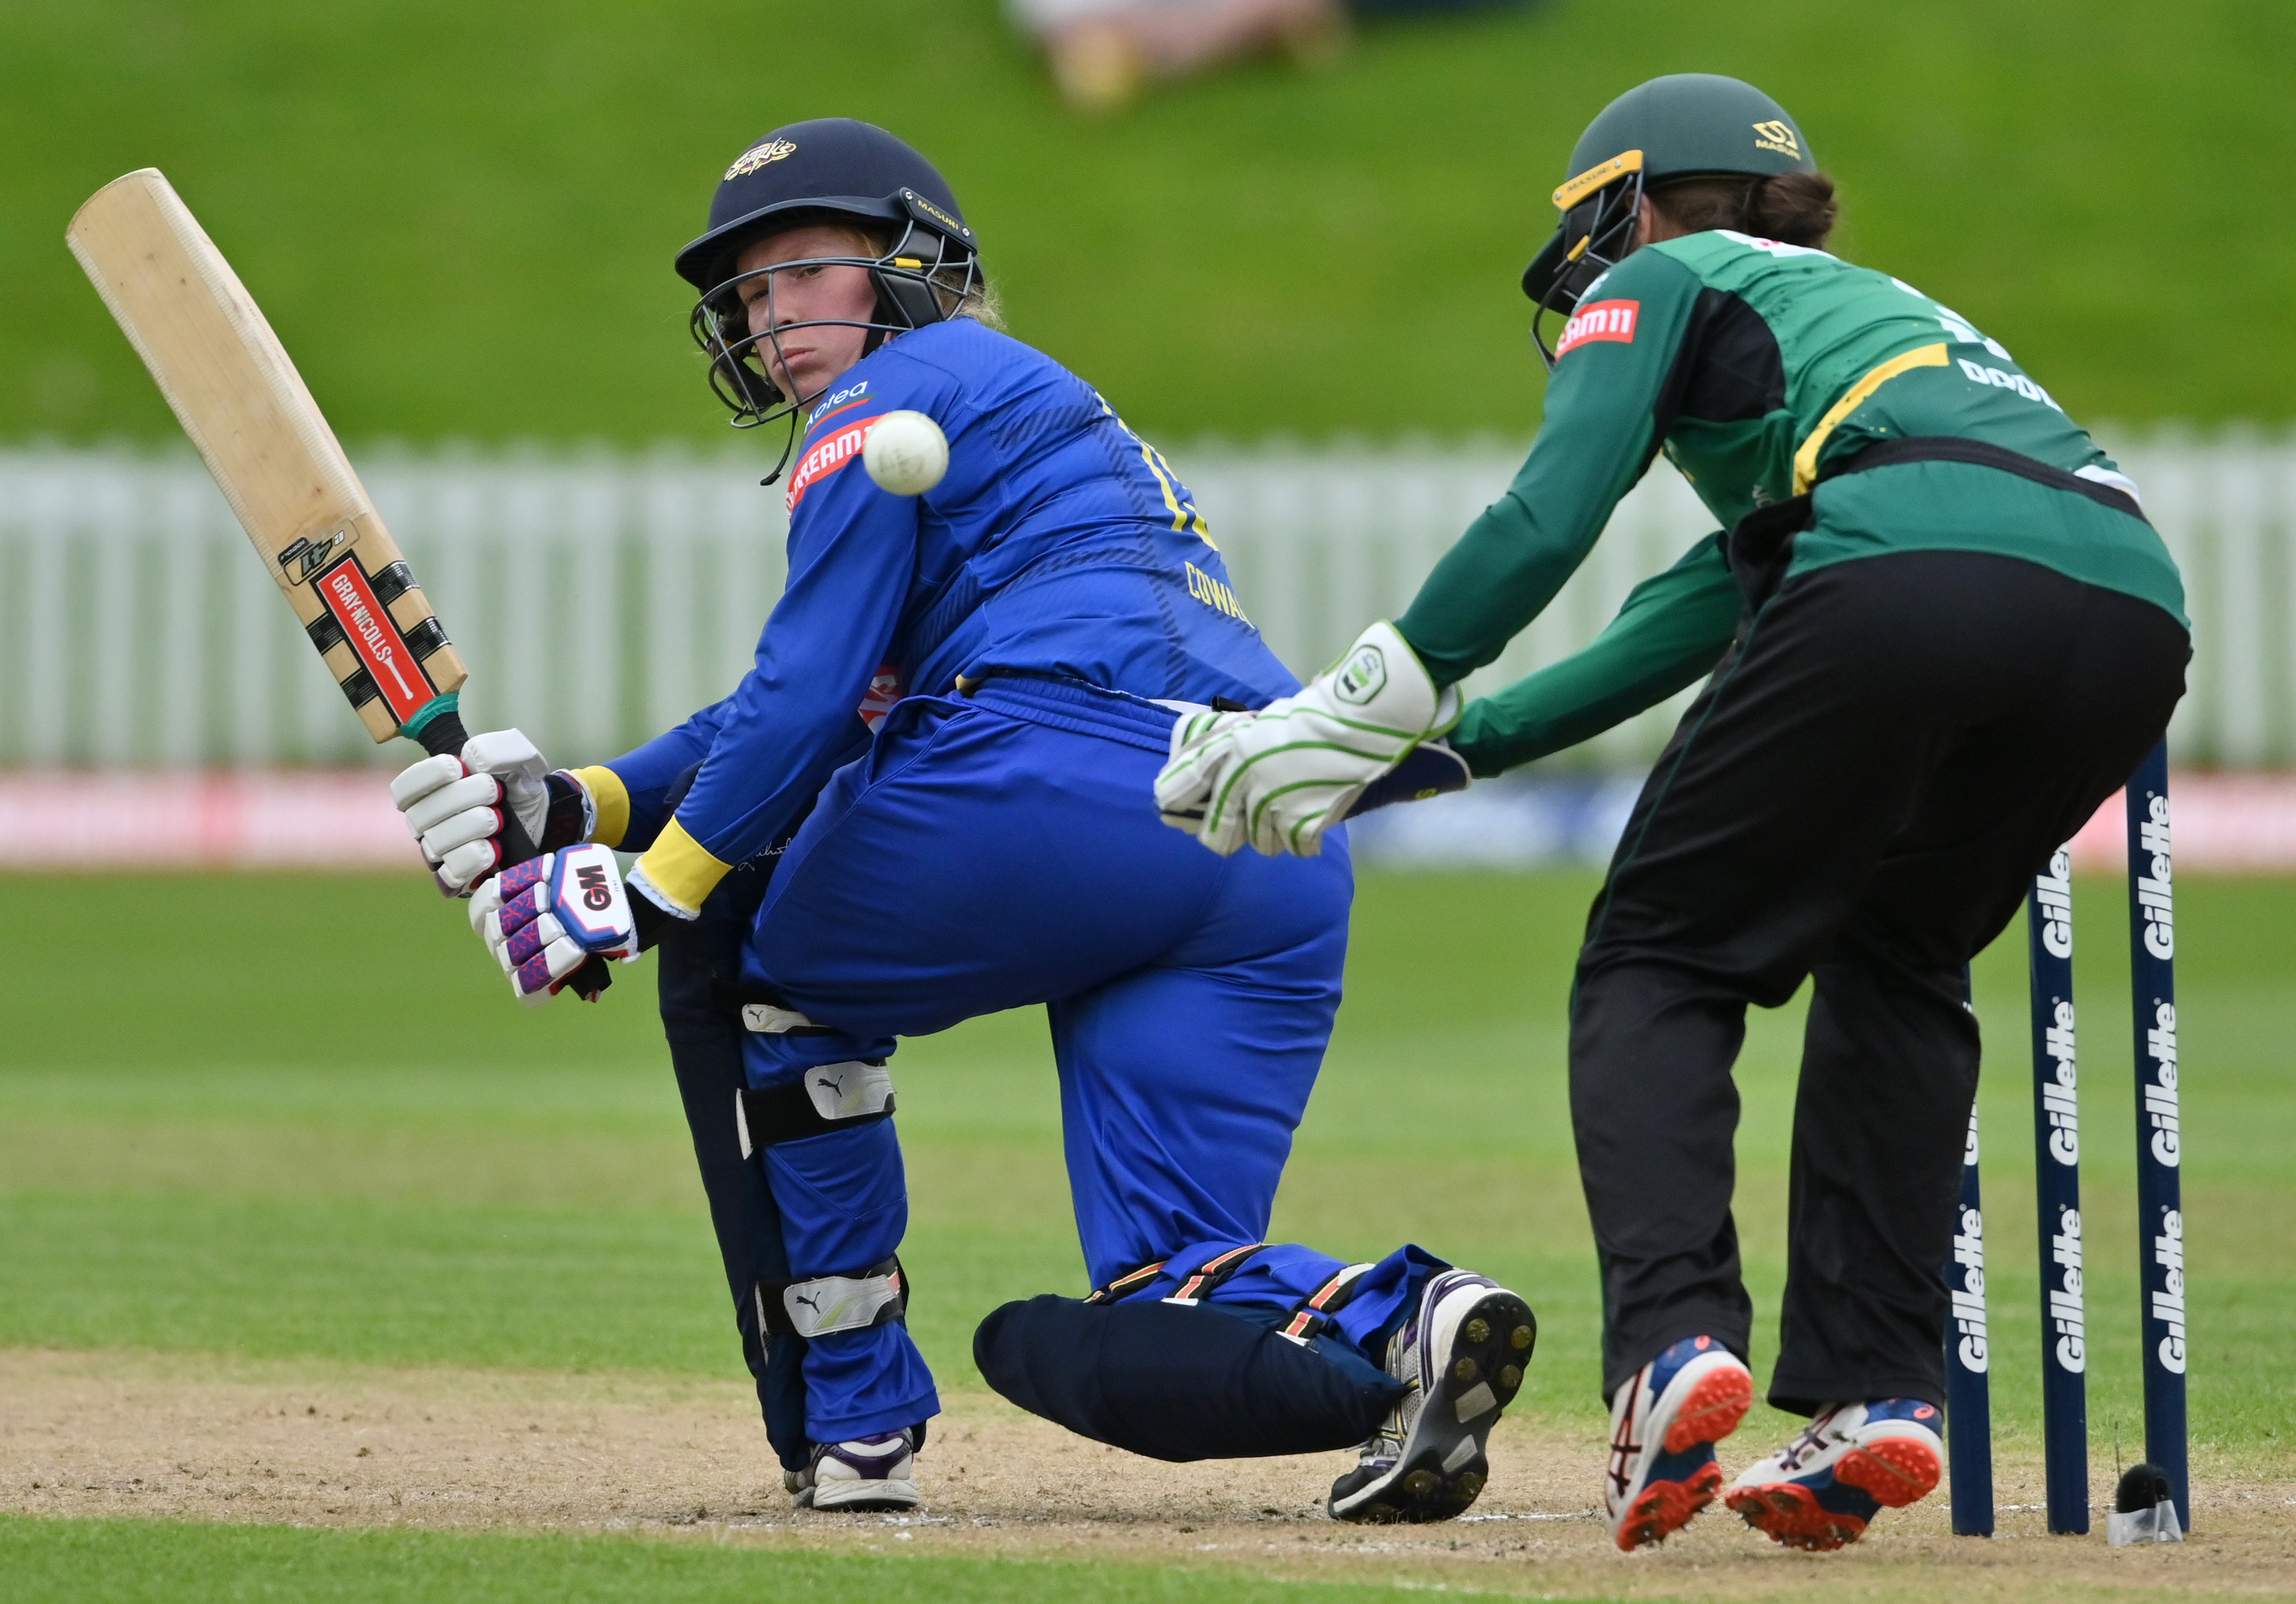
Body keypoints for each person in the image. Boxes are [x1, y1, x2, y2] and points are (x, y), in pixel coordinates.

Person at [387, 117, 1533, 1522]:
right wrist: (578, 801)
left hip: (1047, 783)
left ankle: (855, 1426)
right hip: (1264, 844)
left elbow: (802, 701)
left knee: (756, 963)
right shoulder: (1034, 415)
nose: (771, 317)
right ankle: (1411, 1322)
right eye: (748, 296)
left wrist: (650, 889)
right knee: (1165, 1277)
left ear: (912, 267)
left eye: (804, 272)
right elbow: (795, 713)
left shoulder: (883, 406)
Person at [1156, 74, 2188, 1552]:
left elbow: (1544, 517)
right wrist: (1440, 750)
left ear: (1634, 207)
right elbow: (1696, 605)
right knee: (1899, 957)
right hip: (2131, 616)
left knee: (1659, 955)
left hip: (1905, 578)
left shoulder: (1664, 272)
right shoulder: (1879, 334)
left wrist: (1362, 695)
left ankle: (1671, 1343)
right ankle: (1882, 1394)